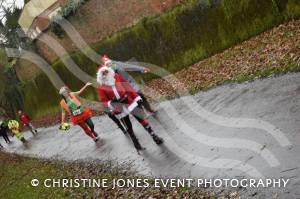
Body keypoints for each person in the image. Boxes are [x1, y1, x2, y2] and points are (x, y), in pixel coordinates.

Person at [97, 66, 163, 151]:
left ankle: (154, 136)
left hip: (129, 101)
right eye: (103, 73)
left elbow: (127, 87)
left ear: (109, 71)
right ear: (100, 75)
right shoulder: (101, 86)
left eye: (106, 71)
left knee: (141, 119)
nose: (105, 74)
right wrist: (111, 104)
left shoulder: (116, 76)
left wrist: (136, 97)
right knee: (129, 127)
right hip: (118, 108)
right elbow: (104, 101)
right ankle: (136, 143)